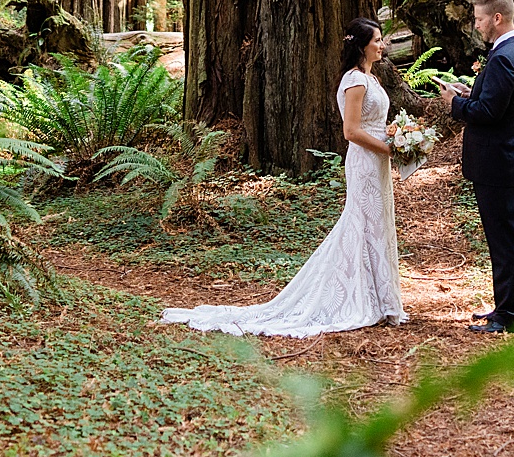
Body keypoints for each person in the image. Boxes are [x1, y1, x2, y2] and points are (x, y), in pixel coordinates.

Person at [162, 17, 409, 336]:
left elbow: (372, 122)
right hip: (365, 161)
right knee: (361, 223)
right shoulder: (356, 81)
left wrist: (396, 137)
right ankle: (357, 297)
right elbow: (351, 131)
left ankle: (381, 299)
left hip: (377, 159)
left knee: (377, 225)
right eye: (377, 39)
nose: (382, 44)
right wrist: (388, 148)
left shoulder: (370, 78)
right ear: (362, 45)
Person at [438, 0, 514, 334]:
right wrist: (471, 93)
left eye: (479, 19)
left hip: (501, 165)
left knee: (506, 240)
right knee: (503, 238)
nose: (475, 25)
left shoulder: (505, 58)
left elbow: (489, 113)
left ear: (497, 18)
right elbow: (498, 102)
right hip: (505, 162)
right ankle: (504, 307)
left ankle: (511, 315)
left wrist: (456, 103)